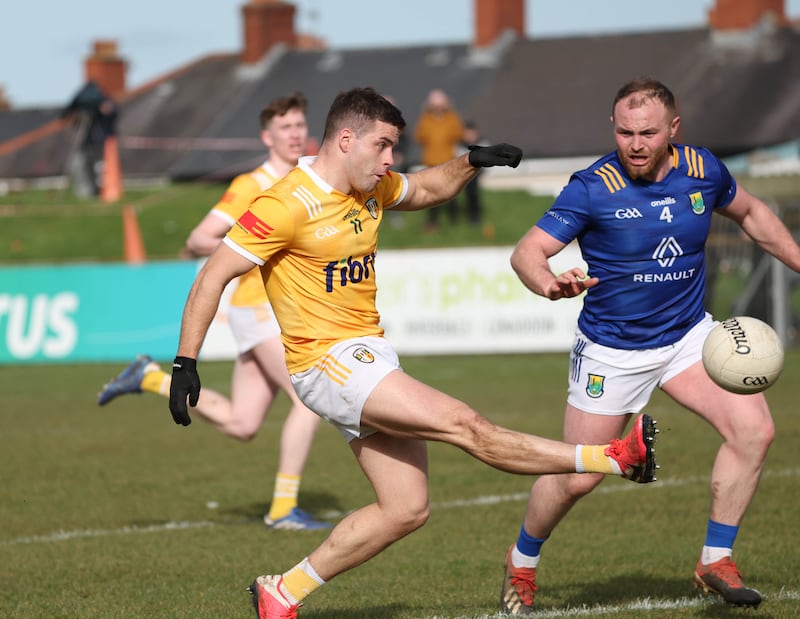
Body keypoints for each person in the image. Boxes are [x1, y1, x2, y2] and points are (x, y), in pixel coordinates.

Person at [167, 86, 659, 618]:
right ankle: (611, 457)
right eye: (382, 146)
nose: (390, 161)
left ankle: (281, 593)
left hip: (369, 354)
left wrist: (471, 161)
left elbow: (425, 188)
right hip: (327, 362)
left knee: (405, 508)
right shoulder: (285, 203)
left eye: (393, 148)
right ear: (346, 138)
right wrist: (185, 363)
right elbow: (213, 273)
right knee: (466, 425)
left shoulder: (367, 186)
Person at [501, 77, 799, 614]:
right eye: (624, 132)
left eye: (648, 132)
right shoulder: (593, 186)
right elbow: (527, 253)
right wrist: (549, 283)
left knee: (754, 431)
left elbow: (752, 214)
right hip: (612, 350)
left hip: (687, 337)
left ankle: (715, 560)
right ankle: (521, 561)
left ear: (673, 130)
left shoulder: (704, 169)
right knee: (579, 477)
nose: (635, 144)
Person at [97, 92, 331, 531]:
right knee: (310, 401)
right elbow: (198, 238)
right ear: (267, 136)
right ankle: (283, 509)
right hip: (258, 309)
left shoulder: (311, 178)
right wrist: (254, 250)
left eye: (300, 125)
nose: (296, 134)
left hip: (278, 311)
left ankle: (148, 378)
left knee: (243, 424)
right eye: (286, 127)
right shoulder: (251, 184)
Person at [413, 88, 464, 231]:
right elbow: (419, 136)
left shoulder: (452, 118)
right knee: (431, 193)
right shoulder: (425, 119)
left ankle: (454, 221)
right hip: (431, 161)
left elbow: (459, 133)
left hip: (448, 160)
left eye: (440, 104)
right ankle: (432, 221)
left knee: (452, 191)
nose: (438, 107)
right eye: (435, 104)